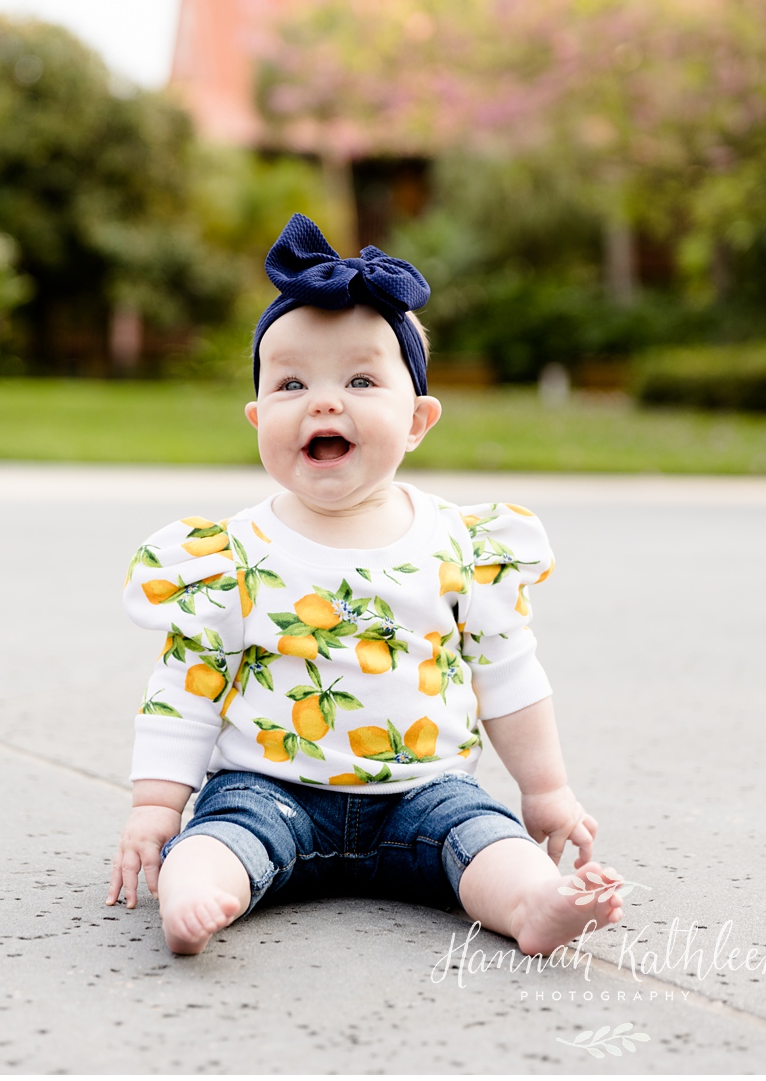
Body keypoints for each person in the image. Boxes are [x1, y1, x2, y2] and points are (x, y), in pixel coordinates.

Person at [106, 213, 624, 957]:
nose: (323, 400)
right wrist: (156, 805)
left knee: (486, 840)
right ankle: (194, 892)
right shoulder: (233, 555)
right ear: (257, 418)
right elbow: (186, 684)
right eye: (291, 382)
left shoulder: (462, 545)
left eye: (359, 379)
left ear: (417, 419)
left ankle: (535, 904)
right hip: (270, 788)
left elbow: (508, 672)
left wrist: (546, 790)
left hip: (426, 790)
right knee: (217, 839)